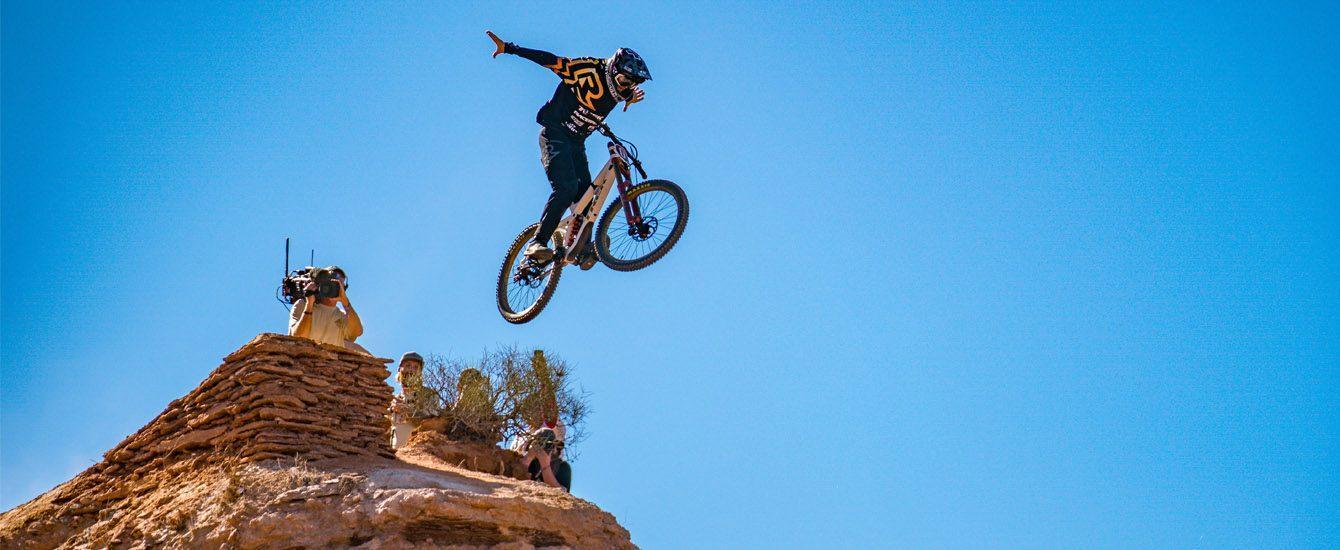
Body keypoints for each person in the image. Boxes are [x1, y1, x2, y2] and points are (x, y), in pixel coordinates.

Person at [486, 30, 653, 265]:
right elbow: (549, 60)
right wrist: (510, 48)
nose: (628, 86)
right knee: (566, 188)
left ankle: (580, 247)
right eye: (626, 81)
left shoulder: (621, 89)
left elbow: (617, 92)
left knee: (588, 198)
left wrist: (628, 97)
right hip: (554, 133)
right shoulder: (588, 70)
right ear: (614, 69)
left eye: (634, 84)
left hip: (576, 142)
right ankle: (538, 242)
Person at [288, 266, 365, 352]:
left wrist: (345, 302)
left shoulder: (341, 316)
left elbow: (357, 331)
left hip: (329, 363)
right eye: (331, 283)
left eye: (339, 285)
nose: (334, 288)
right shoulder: (303, 305)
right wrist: (309, 303)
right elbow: (299, 337)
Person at [513, 401, 572, 492]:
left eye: (551, 444)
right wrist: (529, 456)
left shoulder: (562, 468)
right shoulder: (520, 444)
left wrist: (545, 465)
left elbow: (563, 495)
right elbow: (510, 477)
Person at [388, 352, 442, 450]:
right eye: (408, 365)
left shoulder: (430, 395)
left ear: (420, 373)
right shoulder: (394, 399)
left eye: (416, 367)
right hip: (394, 459)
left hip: (419, 453)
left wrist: (406, 411)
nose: (411, 370)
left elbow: (433, 423)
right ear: (400, 369)